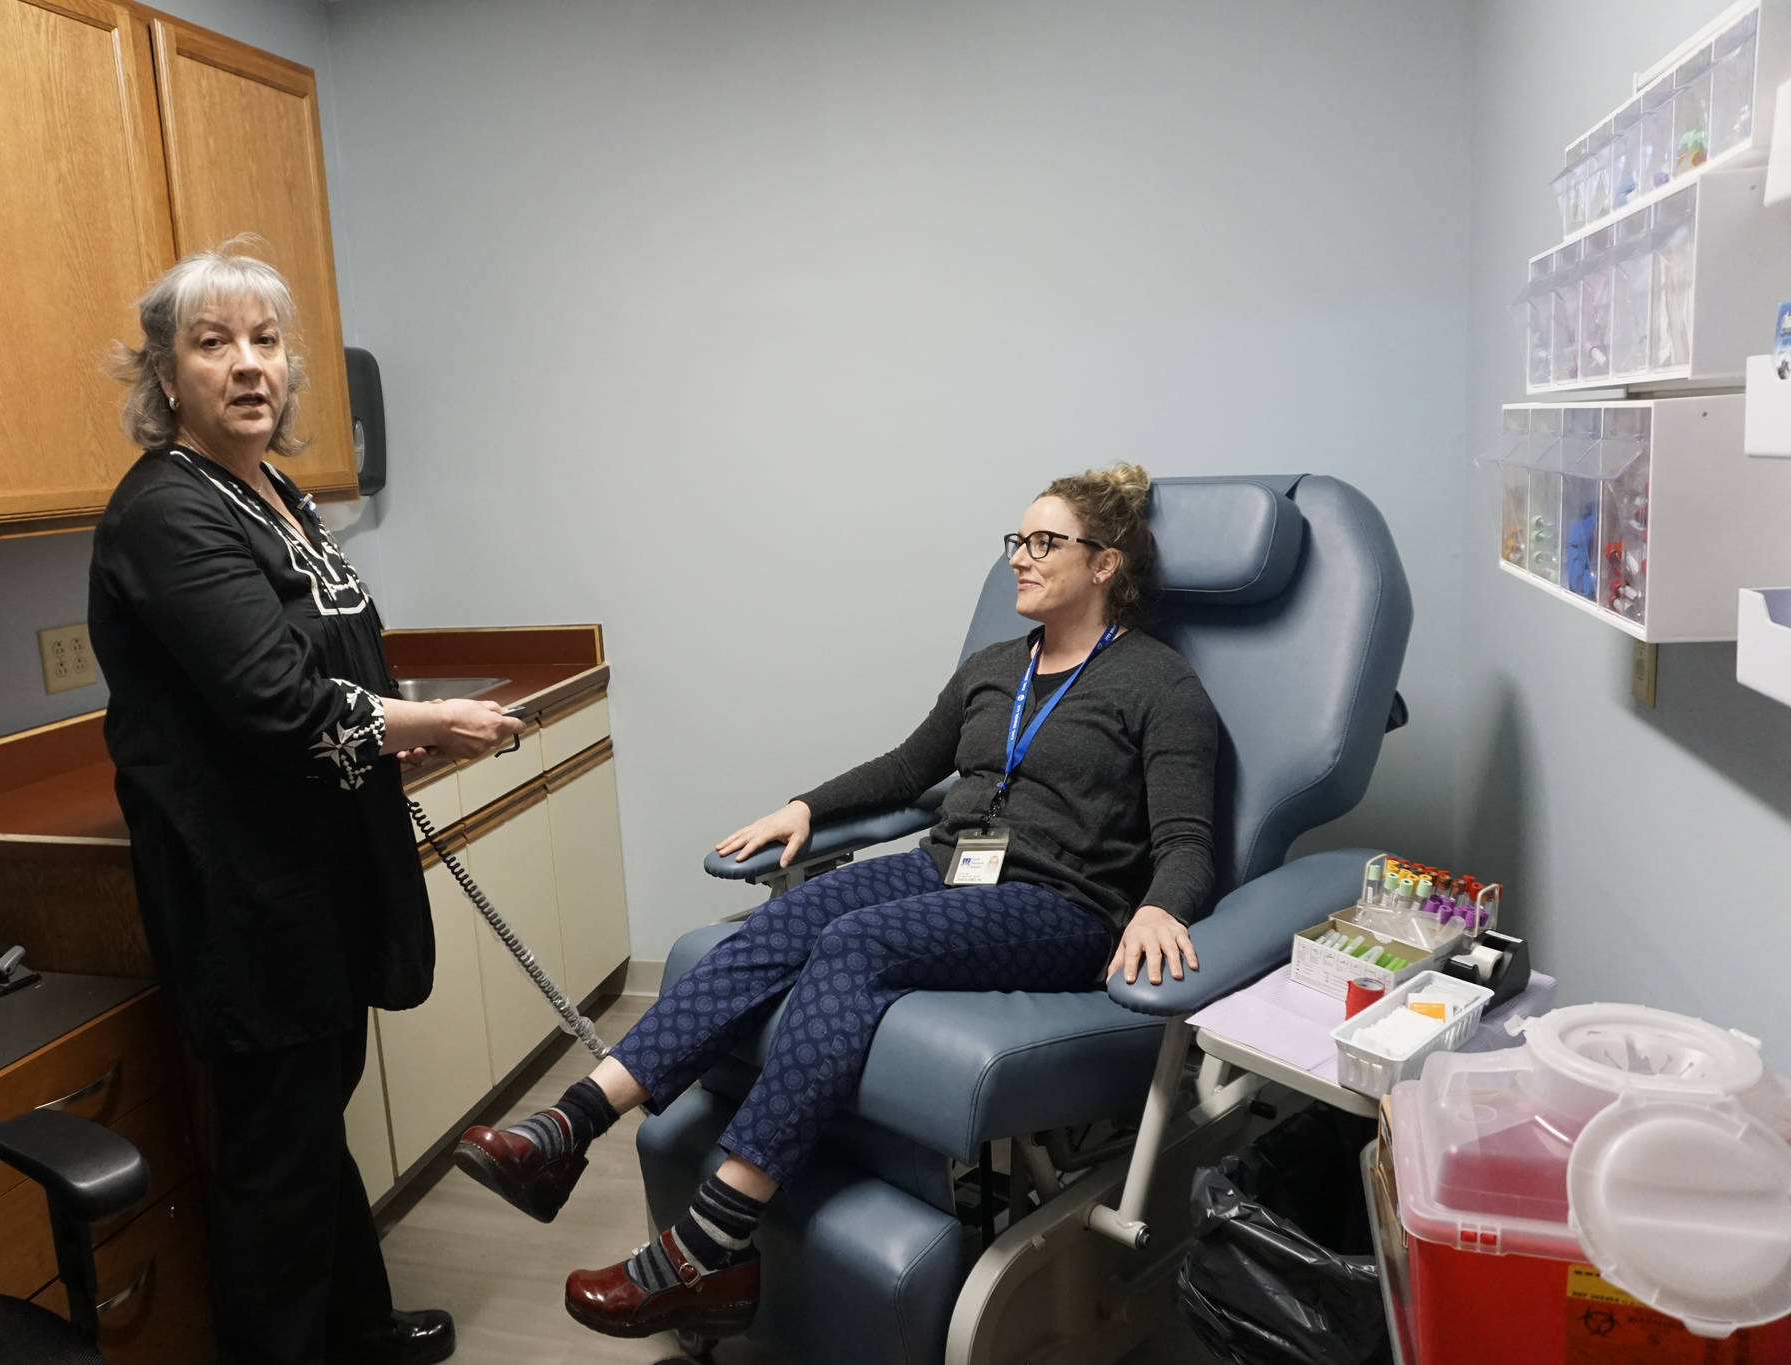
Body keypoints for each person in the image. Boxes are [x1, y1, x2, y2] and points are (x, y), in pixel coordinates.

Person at [455, 463, 1218, 1340]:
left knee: (856, 943)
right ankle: (567, 1128)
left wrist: (1162, 906)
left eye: (1044, 542)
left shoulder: (1161, 685)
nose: (1019, 557)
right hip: (947, 867)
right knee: (786, 916)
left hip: (1060, 904)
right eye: (1017, 540)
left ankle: (710, 1247)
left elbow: (1187, 842)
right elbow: (905, 768)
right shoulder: (995, 666)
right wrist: (806, 806)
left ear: (1106, 563)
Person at [87, 242, 524, 1365]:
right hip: (248, 896)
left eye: (266, 342)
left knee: (309, 1123)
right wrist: (425, 724)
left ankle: (357, 1330)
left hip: (317, 872)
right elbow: (275, 697)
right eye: (212, 341)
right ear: (166, 373)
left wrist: (385, 739)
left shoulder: (272, 491)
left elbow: (336, 659)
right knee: (273, 1160)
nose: (247, 366)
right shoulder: (165, 515)